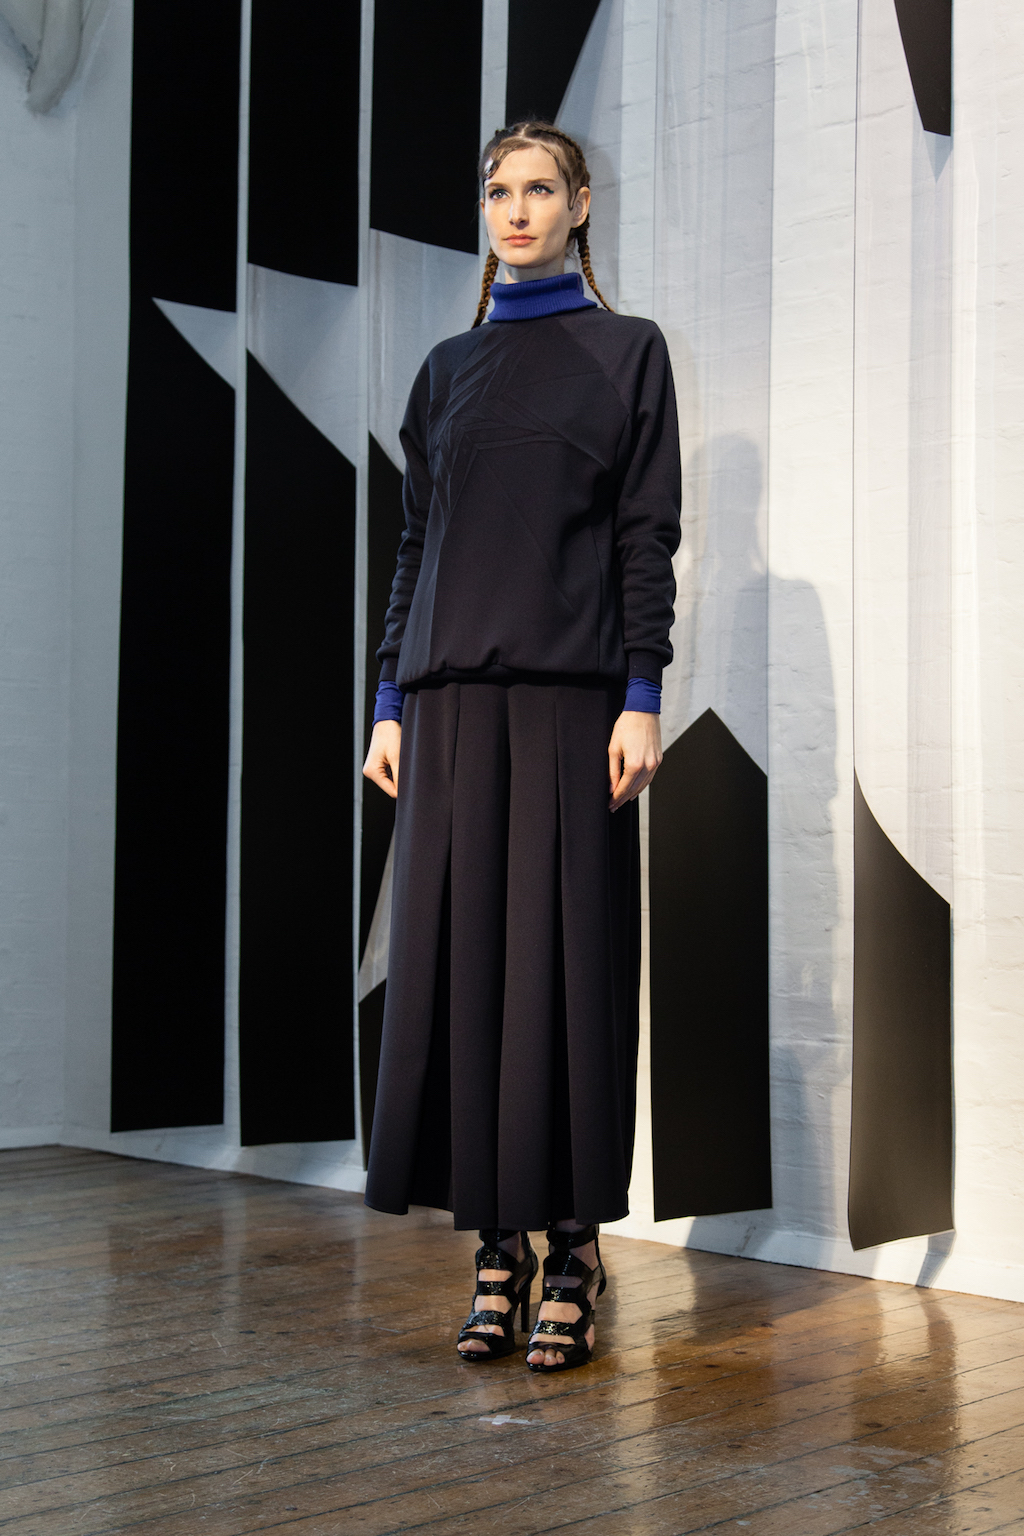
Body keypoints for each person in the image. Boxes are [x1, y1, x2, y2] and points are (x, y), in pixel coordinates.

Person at [362, 121, 681, 1373]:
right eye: (499, 189)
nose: (516, 209)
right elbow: (415, 546)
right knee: (464, 977)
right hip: (445, 711)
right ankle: (495, 1250)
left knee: (565, 976)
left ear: (580, 205)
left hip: (569, 705)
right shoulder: (445, 371)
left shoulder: (626, 352)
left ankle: (574, 1250)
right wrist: (388, 699)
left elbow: (644, 535)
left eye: (539, 188)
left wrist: (641, 691)